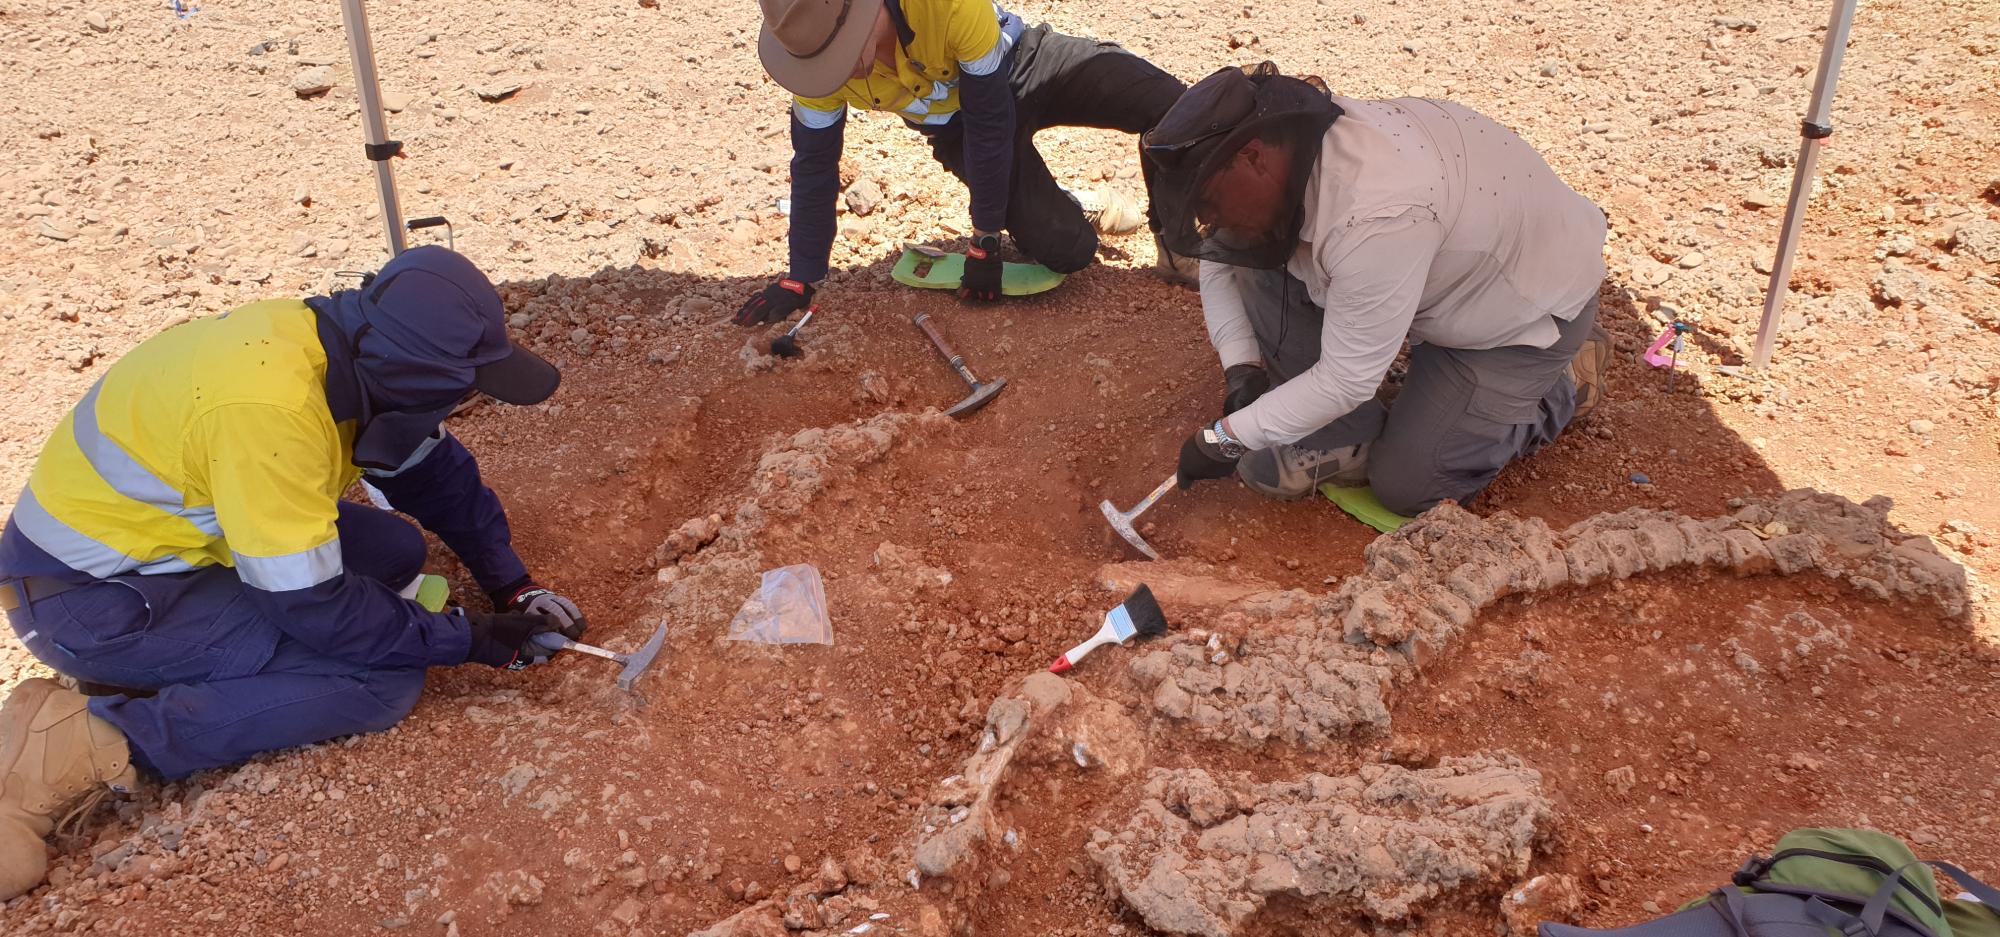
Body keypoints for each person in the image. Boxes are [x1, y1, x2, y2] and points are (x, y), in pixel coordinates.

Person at [0, 246, 588, 899]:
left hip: (155, 554)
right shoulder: (272, 414)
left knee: (393, 552)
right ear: (411, 374)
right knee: (377, 682)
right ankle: (76, 741)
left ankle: (163, 664)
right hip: (85, 597)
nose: (463, 400)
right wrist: (470, 637)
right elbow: (318, 610)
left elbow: (437, 479)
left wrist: (513, 584)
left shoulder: (345, 352)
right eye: (460, 386)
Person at [1151, 63, 1614, 516]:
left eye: (1209, 200)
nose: (1207, 218)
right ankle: (1345, 439)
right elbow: (1221, 262)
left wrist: (1227, 437)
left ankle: (1565, 381)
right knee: (1252, 256)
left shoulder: (1377, 214)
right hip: (1441, 270)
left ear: (1252, 157)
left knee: (1411, 486)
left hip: (1519, 315)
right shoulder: (1292, 152)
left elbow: (1347, 379)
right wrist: (1242, 369)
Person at [734, 0, 1188, 323]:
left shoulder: (946, 5)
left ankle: (1180, 247)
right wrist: (801, 276)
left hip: (1021, 64)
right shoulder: (814, 70)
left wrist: (985, 238)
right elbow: (814, 167)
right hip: (957, 127)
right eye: (821, 62)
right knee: (1069, 251)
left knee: (1179, 108)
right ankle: (1079, 204)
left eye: (839, 52)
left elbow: (991, 120)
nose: (836, 71)